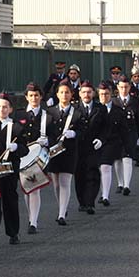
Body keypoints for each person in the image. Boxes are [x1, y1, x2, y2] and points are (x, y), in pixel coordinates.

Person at [0, 93, 28, 248]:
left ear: (10, 109)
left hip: (9, 170)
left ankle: (13, 232)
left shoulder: (16, 127)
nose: (2, 109)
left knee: (10, 201)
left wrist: (16, 148)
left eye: (5, 107)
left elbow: (25, 150)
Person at [46, 79, 84, 225]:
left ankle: (62, 214)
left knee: (65, 181)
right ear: (57, 94)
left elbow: (82, 131)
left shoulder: (77, 113)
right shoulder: (50, 112)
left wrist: (74, 134)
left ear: (72, 94)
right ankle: (61, 206)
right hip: (54, 151)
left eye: (67, 92)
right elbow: (46, 130)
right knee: (55, 183)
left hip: (69, 150)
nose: (64, 95)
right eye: (61, 92)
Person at [16, 82, 50, 234]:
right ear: (26, 97)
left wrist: (48, 140)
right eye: (31, 95)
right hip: (23, 155)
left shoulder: (46, 115)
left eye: (36, 95)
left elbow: (54, 133)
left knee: (34, 188)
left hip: (38, 157)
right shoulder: (19, 114)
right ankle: (31, 216)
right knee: (26, 189)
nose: (34, 98)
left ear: (41, 96)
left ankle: (33, 222)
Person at [96, 82, 130, 207]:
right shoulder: (95, 109)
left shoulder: (118, 111)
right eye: (101, 94)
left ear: (111, 94)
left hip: (112, 143)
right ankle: (100, 192)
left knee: (105, 167)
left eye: (106, 94)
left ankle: (105, 195)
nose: (104, 97)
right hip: (96, 143)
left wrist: (127, 148)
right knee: (98, 169)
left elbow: (124, 130)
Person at [75, 81, 104, 214]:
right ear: (80, 94)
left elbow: (107, 127)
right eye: (84, 92)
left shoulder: (100, 108)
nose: (86, 94)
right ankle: (82, 201)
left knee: (93, 173)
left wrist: (101, 139)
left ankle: (90, 202)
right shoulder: (74, 109)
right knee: (80, 174)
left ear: (93, 93)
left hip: (94, 146)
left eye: (89, 92)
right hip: (79, 146)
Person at [112, 77, 139, 195]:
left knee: (127, 158)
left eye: (126, 87)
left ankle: (126, 185)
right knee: (118, 159)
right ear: (118, 88)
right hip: (117, 134)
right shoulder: (114, 101)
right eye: (121, 87)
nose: (124, 89)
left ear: (129, 87)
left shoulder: (134, 101)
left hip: (130, 133)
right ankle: (120, 183)